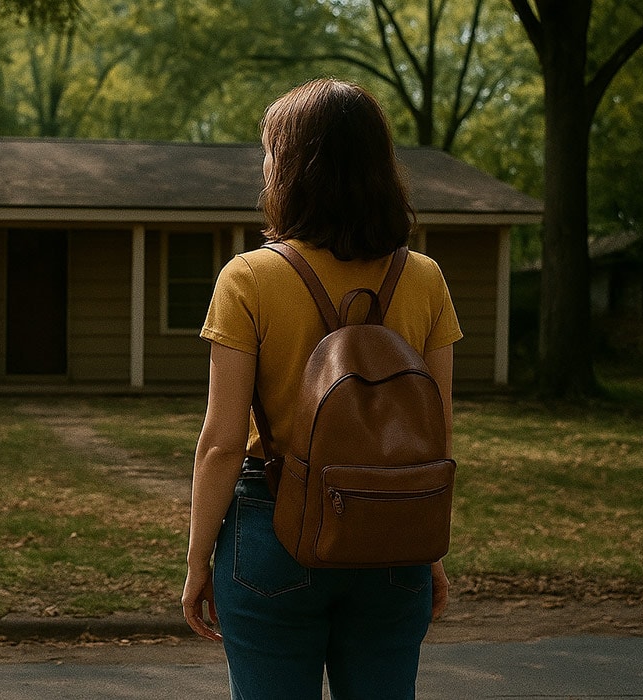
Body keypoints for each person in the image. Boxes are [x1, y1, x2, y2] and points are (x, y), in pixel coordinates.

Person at [181, 78, 462, 699]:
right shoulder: (423, 278)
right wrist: (426, 548)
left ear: (292, 169)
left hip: (274, 529)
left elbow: (222, 445)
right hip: (392, 532)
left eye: (269, 152)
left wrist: (200, 559)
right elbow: (434, 431)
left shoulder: (250, 278)